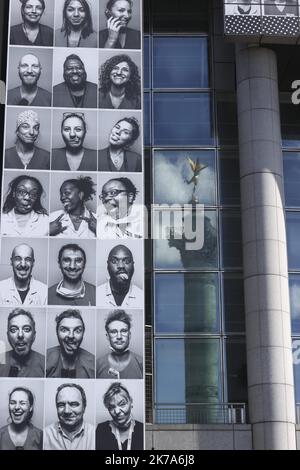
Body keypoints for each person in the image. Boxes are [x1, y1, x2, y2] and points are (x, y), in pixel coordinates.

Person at [44, 383, 95, 450]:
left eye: (73, 404)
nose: (67, 411)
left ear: (84, 407)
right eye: (61, 405)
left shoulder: (96, 434)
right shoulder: (45, 435)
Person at [46, 309, 95, 378]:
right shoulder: (45, 359)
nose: (71, 336)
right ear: (57, 332)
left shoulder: (93, 364)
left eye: (77, 330)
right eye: (64, 330)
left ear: (83, 333)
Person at [96, 382, 143, 450]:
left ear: (131, 402)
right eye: (112, 407)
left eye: (122, 404)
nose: (117, 411)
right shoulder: (100, 429)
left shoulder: (142, 429)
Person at [96, 310, 143, 379]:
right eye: (113, 332)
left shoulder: (142, 364)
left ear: (129, 335)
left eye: (123, 331)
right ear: (107, 336)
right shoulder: (97, 365)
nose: (119, 337)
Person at [0, 308, 45, 378]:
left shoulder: (45, 364)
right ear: (8, 335)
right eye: (13, 330)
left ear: (34, 335)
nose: (20, 335)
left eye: (26, 329)